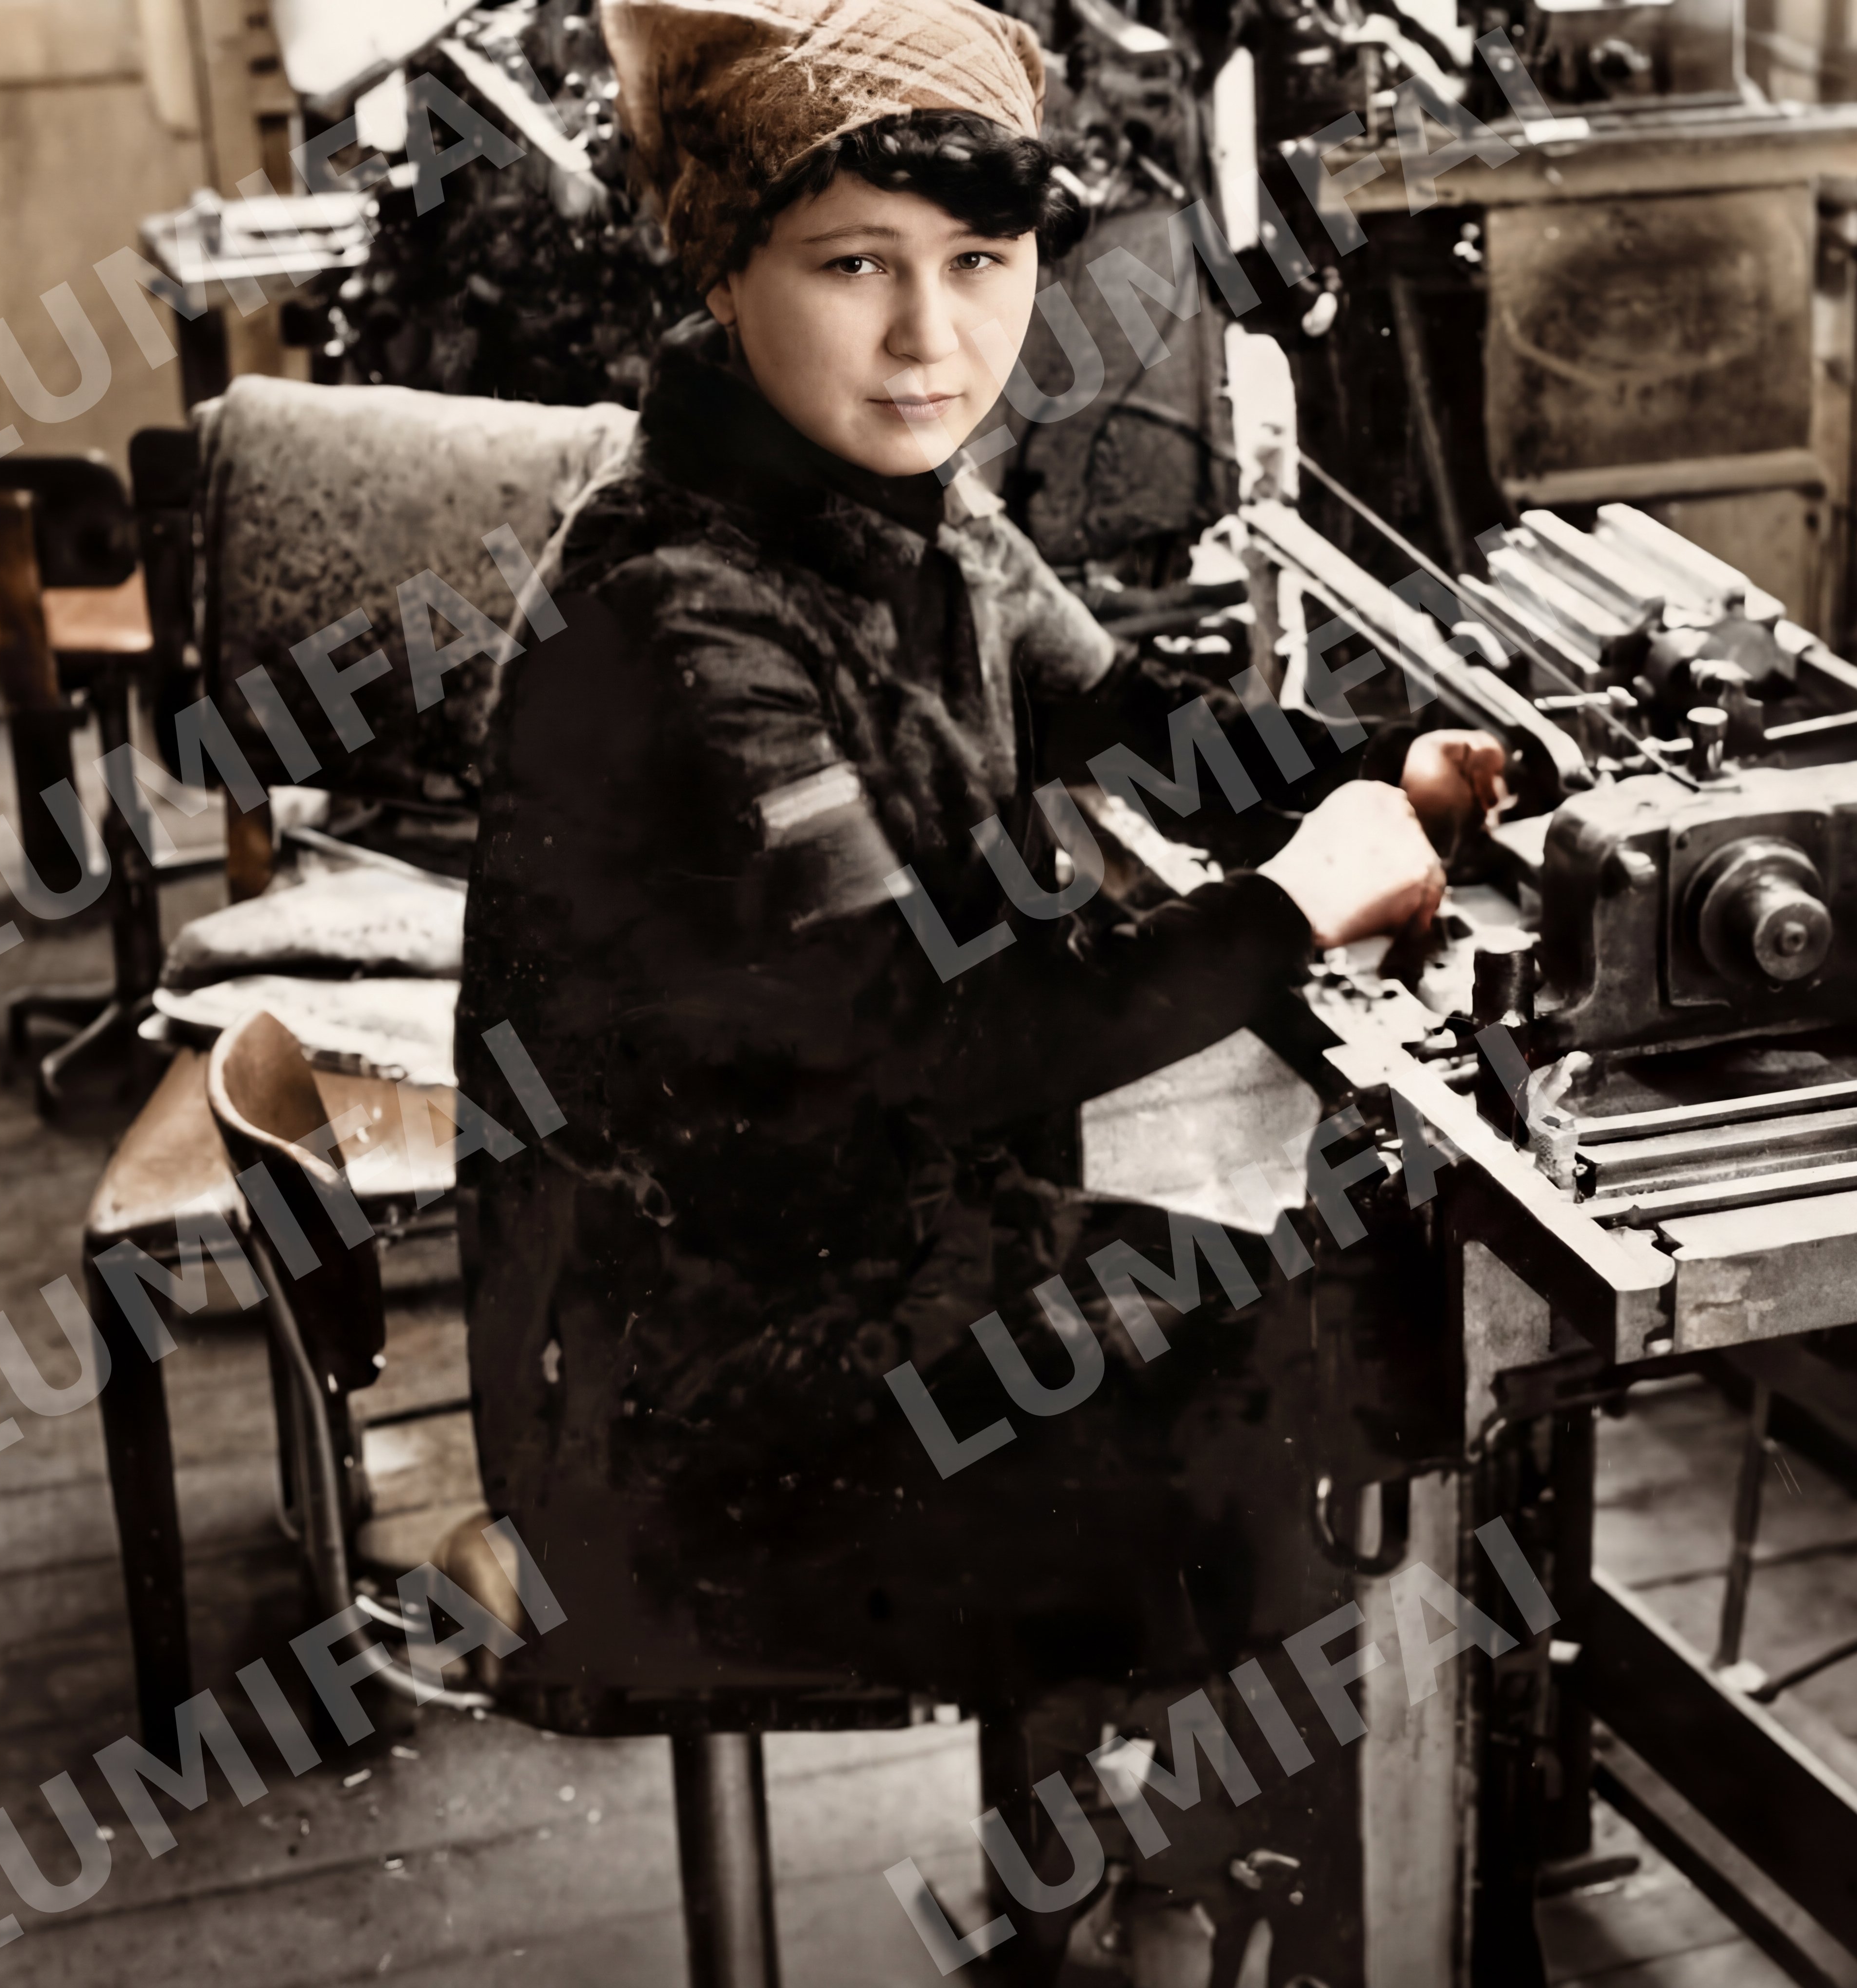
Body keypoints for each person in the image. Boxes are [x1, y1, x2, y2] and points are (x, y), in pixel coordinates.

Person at [453, 0, 1503, 1972]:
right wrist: (1293, 907)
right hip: (690, 1422)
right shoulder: (679, 613)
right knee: (1321, 1403)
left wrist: (1386, 768)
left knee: (1313, 1330)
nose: (932, 338)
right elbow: (928, 1051)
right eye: (854, 266)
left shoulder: (901, 503)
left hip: (866, 1273)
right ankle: (1206, 1895)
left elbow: (1125, 713)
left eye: (983, 263)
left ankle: (1130, 1881)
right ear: (725, 268)